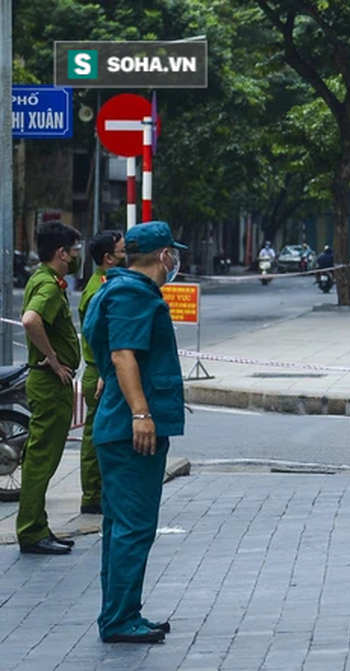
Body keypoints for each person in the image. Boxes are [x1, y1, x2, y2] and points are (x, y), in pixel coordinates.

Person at [83, 221, 187, 643]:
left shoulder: (115, 288)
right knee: (134, 526)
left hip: (118, 425)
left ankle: (120, 612)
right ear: (164, 256)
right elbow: (123, 352)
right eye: (173, 254)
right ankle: (120, 619)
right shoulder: (131, 293)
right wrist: (141, 413)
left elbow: (108, 350)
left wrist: (112, 378)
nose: (175, 260)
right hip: (131, 430)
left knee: (121, 525)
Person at [16, 222, 82, 555]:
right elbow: (30, 320)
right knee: (41, 460)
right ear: (61, 252)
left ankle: (38, 526)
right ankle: (30, 531)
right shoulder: (49, 285)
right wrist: (54, 361)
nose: (75, 258)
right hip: (49, 383)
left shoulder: (42, 278)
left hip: (47, 383)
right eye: (73, 252)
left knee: (40, 458)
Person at [77, 230, 126, 516]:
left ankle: (98, 491)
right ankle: (92, 495)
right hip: (100, 371)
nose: (126, 255)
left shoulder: (106, 284)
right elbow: (101, 336)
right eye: (122, 252)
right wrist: (106, 374)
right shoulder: (98, 290)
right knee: (97, 436)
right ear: (108, 258)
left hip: (102, 369)